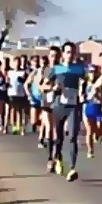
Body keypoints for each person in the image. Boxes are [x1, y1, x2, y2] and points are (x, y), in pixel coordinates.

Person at [41, 42, 86, 181]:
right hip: (59, 106)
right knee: (58, 137)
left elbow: (85, 83)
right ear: (63, 54)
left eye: (72, 52)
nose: (70, 55)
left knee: (73, 136)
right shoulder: (56, 69)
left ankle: (72, 168)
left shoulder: (79, 69)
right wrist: (52, 88)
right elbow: (43, 86)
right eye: (67, 52)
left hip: (73, 105)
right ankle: (57, 159)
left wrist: (83, 92)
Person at [82, 64, 102, 157]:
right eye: (91, 72)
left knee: (99, 130)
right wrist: (84, 97)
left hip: (98, 108)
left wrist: (97, 96)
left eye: (94, 72)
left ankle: (97, 135)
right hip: (88, 107)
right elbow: (80, 97)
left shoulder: (101, 83)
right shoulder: (84, 83)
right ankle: (90, 151)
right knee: (90, 131)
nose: (93, 74)